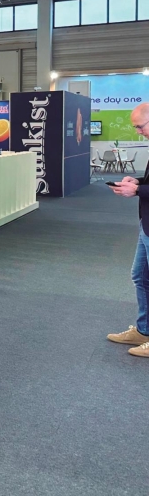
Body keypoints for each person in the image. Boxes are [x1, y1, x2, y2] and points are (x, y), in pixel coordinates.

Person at [107, 103, 149, 357]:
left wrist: (137, 190)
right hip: (146, 224)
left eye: (140, 126)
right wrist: (139, 182)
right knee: (140, 277)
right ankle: (144, 330)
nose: (138, 131)